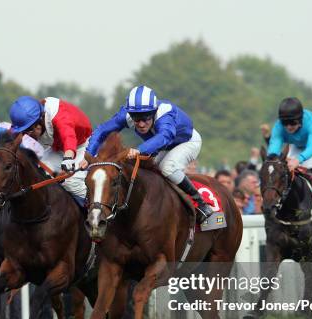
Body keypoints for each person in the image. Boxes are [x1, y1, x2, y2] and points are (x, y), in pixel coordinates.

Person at [82, 85, 214, 223]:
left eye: (146, 117)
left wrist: (140, 149)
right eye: (136, 117)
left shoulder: (165, 113)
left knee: (167, 167)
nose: (141, 123)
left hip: (187, 142)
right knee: (150, 172)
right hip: (162, 147)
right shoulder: (126, 115)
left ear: (154, 111)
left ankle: (201, 203)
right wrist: (89, 154)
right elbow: (102, 130)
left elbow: (165, 135)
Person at [9, 95, 92, 202]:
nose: (26, 136)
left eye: (27, 131)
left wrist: (68, 158)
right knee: (39, 174)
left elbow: (69, 137)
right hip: (59, 148)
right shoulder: (34, 119)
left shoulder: (59, 115)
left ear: (38, 123)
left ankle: (90, 208)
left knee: (70, 181)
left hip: (82, 146)